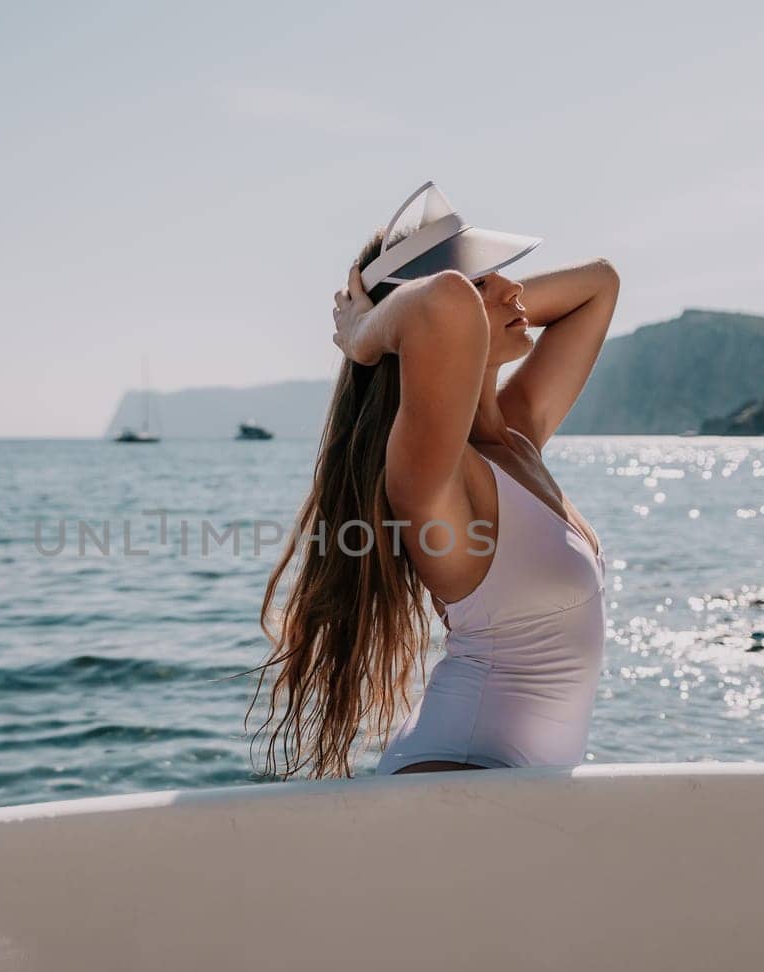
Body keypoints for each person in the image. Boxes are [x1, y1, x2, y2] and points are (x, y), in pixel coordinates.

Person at [246, 181, 619, 779]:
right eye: (482, 283)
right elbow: (443, 305)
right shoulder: (438, 478)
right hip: (453, 784)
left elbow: (600, 284)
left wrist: (482, 307)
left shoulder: (515, 435)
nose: (512, 289)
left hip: (500, 800)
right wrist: (364, 338)